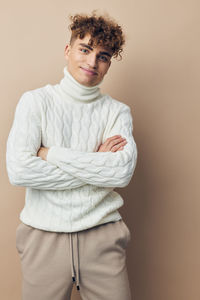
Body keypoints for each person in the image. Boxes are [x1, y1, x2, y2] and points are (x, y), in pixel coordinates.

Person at [6, 10, 138, 300]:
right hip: (43, 235)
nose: (92, 62)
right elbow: (19, 170)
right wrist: (95, 163)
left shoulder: (117, 112)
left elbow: (120, 172)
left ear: (108, 64)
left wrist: (49, 153)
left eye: (103, 56)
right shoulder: (35, 102)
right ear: (68, 50)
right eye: (85, 49)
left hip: (102, 233)